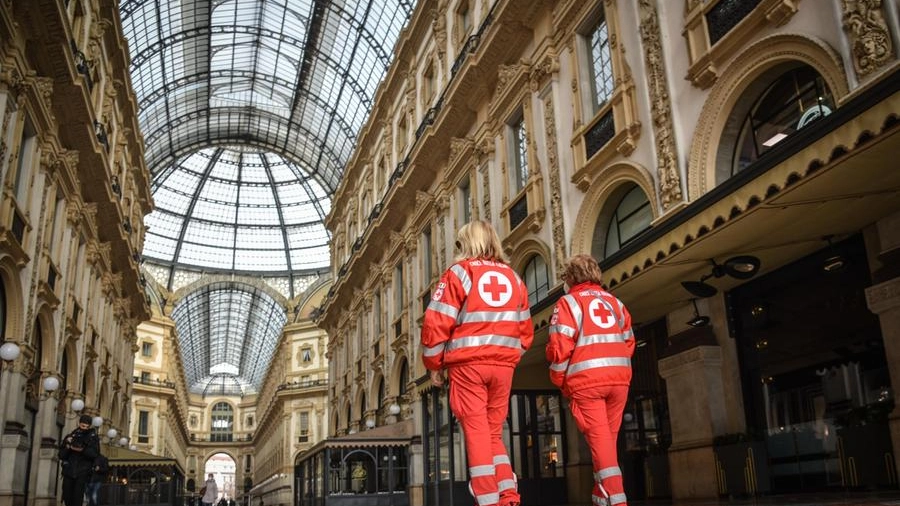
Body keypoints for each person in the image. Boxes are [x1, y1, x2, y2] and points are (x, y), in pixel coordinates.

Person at [421, 220, 533, 506]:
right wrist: (510, 356)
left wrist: (435, 365)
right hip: (503, 367)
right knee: (493, 432)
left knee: (476, 430)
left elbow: (436, 321)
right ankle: (508, 495)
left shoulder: (459, 272)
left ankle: (487, 498)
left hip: (469, 366)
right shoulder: (514, 278)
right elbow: (524, 330)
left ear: (466, 245)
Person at [546, 255, 634, 506]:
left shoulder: (568, 303)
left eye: (565, 276)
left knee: (600, 442)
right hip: (619, 380)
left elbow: (559, 348)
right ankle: (600, 498)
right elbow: (628, 342)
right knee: (606, 443)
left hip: (587, 382)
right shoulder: (615, 302)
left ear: (571, 277)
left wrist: (560, 380)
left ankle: (617, 500)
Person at [58, 414, 101, 506]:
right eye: (82, 426)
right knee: (67, 496)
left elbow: (94, 454)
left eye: (87, 427)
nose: (84, 428)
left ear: (90, 426)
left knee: (77, 498)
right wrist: (68, 446)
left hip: (83, 472)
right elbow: (61, 455)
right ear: (79, 423)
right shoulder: (70, 436)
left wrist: (82, 449)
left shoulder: (93, 438)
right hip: (69, 471)